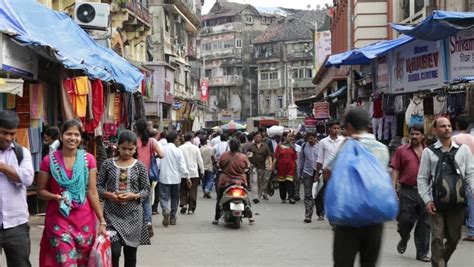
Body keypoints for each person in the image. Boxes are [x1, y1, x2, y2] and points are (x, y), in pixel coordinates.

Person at [324, 108, 389, 267]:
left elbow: (328, 172)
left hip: (348, 217)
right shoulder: (383, 148)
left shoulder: (348, 146)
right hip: (375, 217)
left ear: (350, 127)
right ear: (368, 125)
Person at [37, 119, 107, 266]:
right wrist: (55, 197)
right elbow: (40, 191)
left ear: (80, 137)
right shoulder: (48, 161)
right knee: (66, 262)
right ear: (61, 136)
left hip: (84, 219)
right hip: (58, 218)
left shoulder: (89, 160)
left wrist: (102, 221)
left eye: (76, 134)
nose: (73, 138)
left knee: (83, 262)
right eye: (69, 134)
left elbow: (92, 192)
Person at [417, 117, 474, 266]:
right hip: (436, 202)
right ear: (435, 130)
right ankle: (438, 264)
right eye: (442, 126)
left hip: (458, 202)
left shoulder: (464, 150)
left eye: (449, 126)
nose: (447, 128)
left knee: (454, 239)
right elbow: (422, 178)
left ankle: (441, 261)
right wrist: (427, 200)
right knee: (437, 238)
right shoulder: (429, 152)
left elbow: (470, 174)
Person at [97, 130, 150, 267]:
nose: (127, 152)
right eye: (124, 149)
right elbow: (98, 186)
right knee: (114, 252)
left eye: (130, 149)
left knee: (130, 256)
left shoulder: (140, 166)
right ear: (117, 147)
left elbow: (146, 190)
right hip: (111, 216)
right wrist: (109, 195)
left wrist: (134, 195)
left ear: (135, 149)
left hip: (133, 217)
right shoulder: (108, 164)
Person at [390, 124, 430, 262]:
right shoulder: (401, 150)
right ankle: (404, 236)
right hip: (407, 190)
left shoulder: (429, 151)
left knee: (425, 224)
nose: (413, 136)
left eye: (417, 134)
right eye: (412, 134)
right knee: (405, 220)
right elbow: (395, 169)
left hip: (426, 191)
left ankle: (422, 253)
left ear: (422, 136)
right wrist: (393, 188)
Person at [0, 110, 34, 267]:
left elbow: (27, 178)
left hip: (16, 225)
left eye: (12, 133)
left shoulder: (22, 153)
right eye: (4, 133)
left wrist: (2, 167)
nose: (8, 138)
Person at [212, 139, 253, 225]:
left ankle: (216, 218)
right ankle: (250, 215)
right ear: (239, 147)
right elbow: (248, 168)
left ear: (230, 146)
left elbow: (218, 166)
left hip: (225, 181)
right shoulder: (243, 157)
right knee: (246, 196)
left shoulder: (224, 156)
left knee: (219, 199)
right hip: (240, 181)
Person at [135, 119, 164, 237]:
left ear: (136, 129)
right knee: (146, 200)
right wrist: (153, 156)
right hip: (147, 175)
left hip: (133, 173)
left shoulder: (133, 141)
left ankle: (136, 224)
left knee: (134, 199)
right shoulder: (152, 141)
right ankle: (148, 222)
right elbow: (162, 155)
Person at [314, 120, 344, 222]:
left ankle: (335, 216)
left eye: (338, 128)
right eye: (334, 128)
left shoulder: (343, 141)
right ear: (329, 129)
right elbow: (320, 159)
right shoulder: (323, 142)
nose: (336, 130)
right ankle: (322, 213)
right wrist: (317, 174)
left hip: (340, 173)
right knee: (321, 195)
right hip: (327, 173)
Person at [159, 132, 189, 226]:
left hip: (163, 178)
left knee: (163, 197)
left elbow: (158, 164)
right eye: (177, 139)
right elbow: (182, 166)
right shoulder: (178, 151)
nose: (178, 141)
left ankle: (165, 209)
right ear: (175, 139)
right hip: (176, 179)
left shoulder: (161, 150)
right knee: (175, 198)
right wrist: (187, 176)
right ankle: (173, 217)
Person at [452, 115, 474, 242]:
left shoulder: (454, 139)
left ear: (457, 125)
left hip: (458, 172)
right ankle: (472, 231)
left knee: (456, 200)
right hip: (472, 172)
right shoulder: (473, 139)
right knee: (471, 202)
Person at [179, 132, 205, 215]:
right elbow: (200, 160)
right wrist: (202, 171)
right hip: (194, 173)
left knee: (183, 189)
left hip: (183, 173)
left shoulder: (180, 148)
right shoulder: (195, 148)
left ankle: (183, 204)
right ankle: (191, 208)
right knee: (192, 190)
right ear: (191, 139)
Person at [297, 132, 319, 223]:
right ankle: (308, 215)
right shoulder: (304, 146)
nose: (310, 141)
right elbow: (301, 160)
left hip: (319, 173)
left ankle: (320, 212)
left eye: (311, 139)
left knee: (318, 195)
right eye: (308, 139)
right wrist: (299, 173)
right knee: (308, 194)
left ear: (315, 138)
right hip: (307, 172)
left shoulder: (321, 146)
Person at [247, 132, 272, 203]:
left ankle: (259, 195)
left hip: (262, 166)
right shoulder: (251, 147)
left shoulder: (265, 146)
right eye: (256, 137)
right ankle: (255, 197)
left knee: (261, 182)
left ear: (261, 138)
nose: (258, 138)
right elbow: (248, 156)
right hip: (253, 166)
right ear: (254, 138)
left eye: (259, 137)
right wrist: (248, 165)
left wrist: (270, 164)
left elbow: (269, 156)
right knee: (254, 181)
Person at [274, 132, 298, 204]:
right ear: (284, 137)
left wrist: (297, 167)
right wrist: (273, 165)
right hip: (281, 167)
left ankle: (291, 197)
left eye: (292, 137)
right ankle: (283, 197)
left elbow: (295, 158)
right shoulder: (279, 146)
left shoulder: (293, 147)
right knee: (282, 182)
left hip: (291, 167)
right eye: (289, 136)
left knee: (290, 181)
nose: (291, 138)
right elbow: (275, 157)